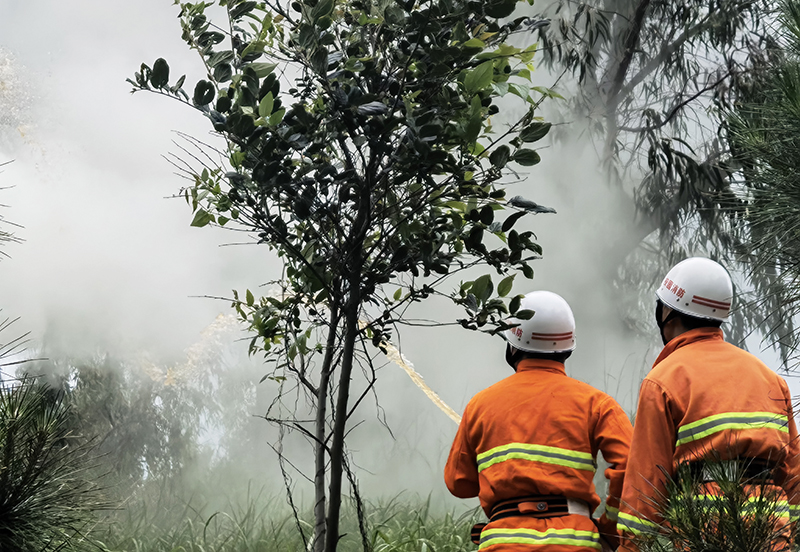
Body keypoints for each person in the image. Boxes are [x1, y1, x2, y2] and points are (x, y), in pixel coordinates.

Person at [617, 257, 800, 550]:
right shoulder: (770, 378)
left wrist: (631, 545)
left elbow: (646, 486)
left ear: (667, 313)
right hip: (770, 528)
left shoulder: (663, 380)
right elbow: (793, 475)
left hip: (706, 527)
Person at [445, 290, 632, 550]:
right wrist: (610, 528)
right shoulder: (597, 403)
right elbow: (633, 469)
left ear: (512, 344)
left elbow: (459, 484)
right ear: (568, 348)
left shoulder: (480, 404)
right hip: (574, 544)